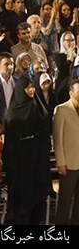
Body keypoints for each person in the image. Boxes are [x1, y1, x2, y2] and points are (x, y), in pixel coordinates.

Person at [3, 76, 52, 225]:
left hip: (38, 157)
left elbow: (45, 126)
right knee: (23, 197)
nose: (31, 90)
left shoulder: (36, 104)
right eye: (27, 88)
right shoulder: (14, 111)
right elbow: (11, 138)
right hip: (21, 160)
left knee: (37, 195)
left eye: (32, 87)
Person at [53, 79, 79, 225]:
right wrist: (60, 162)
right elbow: (57, 138)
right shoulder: (62, 109)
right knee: (65, 200)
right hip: (69, 163)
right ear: (71, 93)